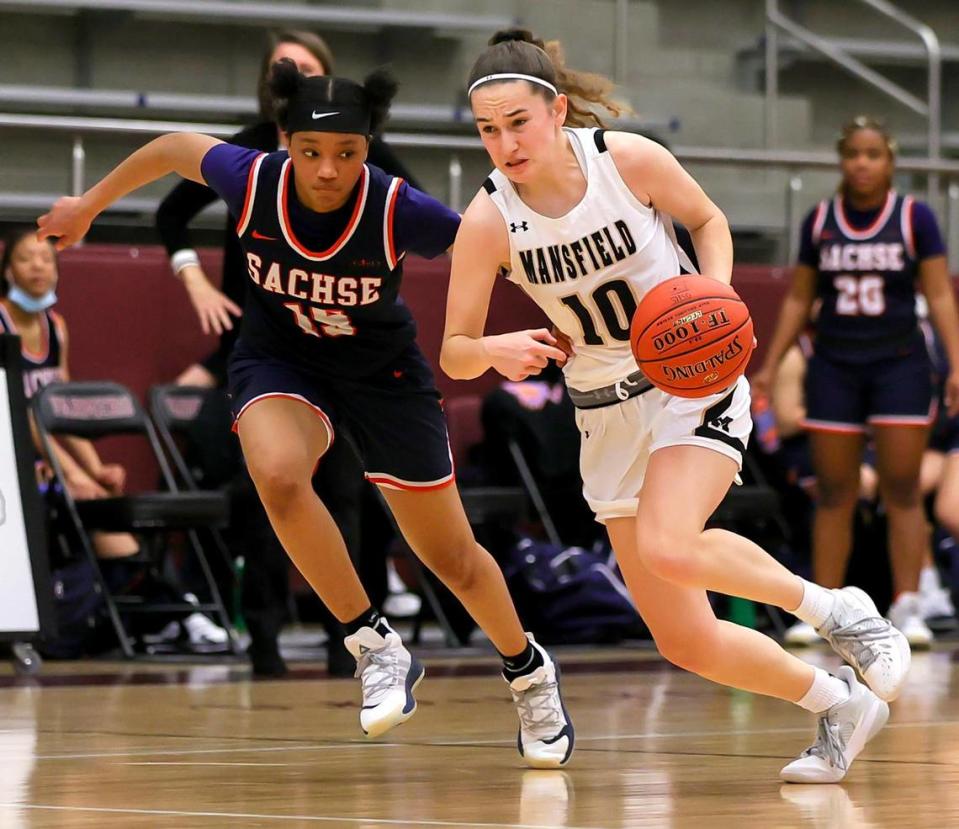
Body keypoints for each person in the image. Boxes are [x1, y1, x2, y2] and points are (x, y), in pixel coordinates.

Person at [37, 60, 574, 768]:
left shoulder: (395, 206)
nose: (327, 169)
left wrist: (559, 333)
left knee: (450, 556)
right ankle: (373, 644)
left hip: (382, 376)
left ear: (367, 148)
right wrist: (91, 204)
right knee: (280, 475)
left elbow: (508, 252)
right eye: (310, 152)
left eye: (346, 154)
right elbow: (171, 147)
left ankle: (527, 670)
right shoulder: (250, 178)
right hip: (280, 359)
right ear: (284, 141)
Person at [441, 29, 910, 784]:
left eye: (517, 123)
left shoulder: (625, 161)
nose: (504, 143)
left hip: (688, 376)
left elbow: (708, 222)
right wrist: (493, 348)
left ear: (556, 110)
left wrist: (712, 294)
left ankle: (837, 609)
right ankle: (838, 702)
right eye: (487, 130)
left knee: (666, 539)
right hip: (601, 409)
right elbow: (454, 347)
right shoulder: (490, 219)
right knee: (683, 638)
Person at [155, 30, 420, 677]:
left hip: (341, 353)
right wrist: (194, 280)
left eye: (308, 69)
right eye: (285, 70)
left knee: (347, 494)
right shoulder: (244, 149)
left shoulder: (364, 152)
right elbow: (169, 211)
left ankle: (353, 642)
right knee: (264, 492)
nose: (296, 78)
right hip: (262, 351)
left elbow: (419, 222)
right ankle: (265, 640)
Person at [752, 116, 959, 648]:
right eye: (853, 154)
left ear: (890, 161)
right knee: (835, 492)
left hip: (900, 365)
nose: (862, 163)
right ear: (842, 161)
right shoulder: (821, 221)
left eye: (873, 154)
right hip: (835, 366)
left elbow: (938, 295)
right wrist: (772, 364)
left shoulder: (915, 218)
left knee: (903, 489)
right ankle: (827, 609)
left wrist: (956, 363)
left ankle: (908, 605)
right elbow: (799, 297)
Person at [0, 227, 227, 649]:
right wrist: (71, 474)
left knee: (105, 507)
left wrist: (95, 467)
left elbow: (59, 409)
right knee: (85, 504)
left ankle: (167, 615)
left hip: (47, 459)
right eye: (27, 258)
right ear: (7, 270)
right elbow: (22, 413)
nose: (39, 267)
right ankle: (176, 612)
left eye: (48, 259)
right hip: (7, 461)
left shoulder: (57, 327)